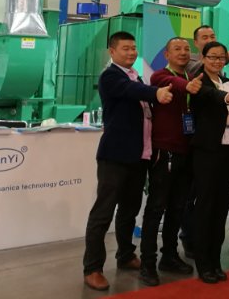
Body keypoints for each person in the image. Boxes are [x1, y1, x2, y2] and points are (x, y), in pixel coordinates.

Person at [82, 31, 173, 292]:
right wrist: (156, 92)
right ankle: (93, 268)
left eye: (133, 48)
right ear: (112, 51)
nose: (131, 52)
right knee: (103, 213)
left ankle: (125, 255)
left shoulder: (135, 75)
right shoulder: (111, 76)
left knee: (129, 210)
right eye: (125, 48)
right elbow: (132, 91)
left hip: (139, 156)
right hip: (115, 156)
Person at [138, 38, 194, 287]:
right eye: (177, 49)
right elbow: (174, 84)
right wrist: (191, 85)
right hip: (164, 152)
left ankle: (169, 256)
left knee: (178, 207)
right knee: (156, 208)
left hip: (186, 152)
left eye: (186, 49)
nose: (183, 53)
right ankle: (147, 263)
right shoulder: (160, 76)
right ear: (167, 55)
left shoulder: (191, 78)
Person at [189, 41, 229, 283]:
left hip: (228, 153)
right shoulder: (197, 81)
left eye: (221, 57)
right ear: (203, 58)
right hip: (206, 153)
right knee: (205, 207)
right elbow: (208, 95)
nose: (217, 61)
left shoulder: (227, 81)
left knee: (221, 208)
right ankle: (203, 263)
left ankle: (215, 260)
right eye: (212, 57)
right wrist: (227, 97)